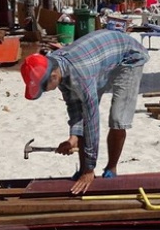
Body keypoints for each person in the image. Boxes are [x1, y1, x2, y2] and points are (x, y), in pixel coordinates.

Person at [20, 30, 149, 195]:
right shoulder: (56, 65)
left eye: (43, 89)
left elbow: (91, 120)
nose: (45, 92)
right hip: (102, 59)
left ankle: (111, 168)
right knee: (82, 118)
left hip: (130, 57)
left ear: (53, 77)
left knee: (117, 118)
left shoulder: (80, 75)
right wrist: (73, 137)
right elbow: (74, 108)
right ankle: (83, 170)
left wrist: (90, 169)